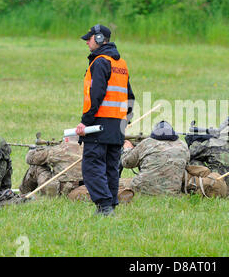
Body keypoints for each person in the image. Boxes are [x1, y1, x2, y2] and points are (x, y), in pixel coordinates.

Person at [75, 24, 135, 216]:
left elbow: (97, 94)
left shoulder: (100, 62)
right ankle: (111, 204)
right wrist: (127, 119)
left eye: (89, 38)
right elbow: (130, 96)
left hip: (98, 124)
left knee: (93, 165)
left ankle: (104, 206)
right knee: (110, 165)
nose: (87, 41)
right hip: (117, 124)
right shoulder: (121, 64)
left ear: (100, 39)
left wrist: (86, 121)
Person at [120, 121, 189, 195]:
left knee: (114, 183)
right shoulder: (183, 145)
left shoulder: (147, 143)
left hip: (142, 188)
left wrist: (127, 148)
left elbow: (126, 163)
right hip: (172, 191)